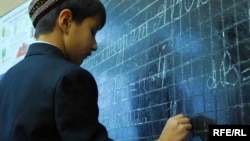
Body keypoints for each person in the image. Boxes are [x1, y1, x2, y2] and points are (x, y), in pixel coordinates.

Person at [0, 0, 192, 141]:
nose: (94, 46)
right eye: (92, 31)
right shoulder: (69, 77)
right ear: (65, 21)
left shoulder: (5, 80)